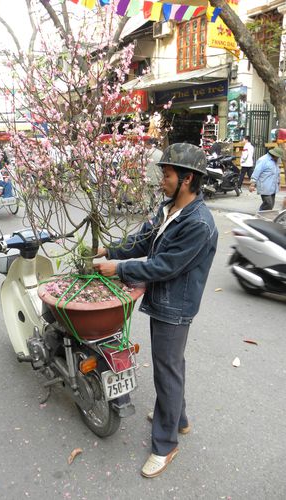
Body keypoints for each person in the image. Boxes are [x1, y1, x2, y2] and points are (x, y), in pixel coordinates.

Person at [93, 143, 218, 478]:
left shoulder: (199, 224)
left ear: (188, 178)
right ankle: (179, 419)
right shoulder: (168, 209)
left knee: (166, 369)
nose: (161, 181)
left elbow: (164, 266)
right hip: (163, 301)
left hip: (175, 306)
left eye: (167, 175)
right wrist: (110, 249)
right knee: (171, 365)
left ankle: (165, 445)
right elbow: (144, 241)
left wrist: (119, 269)